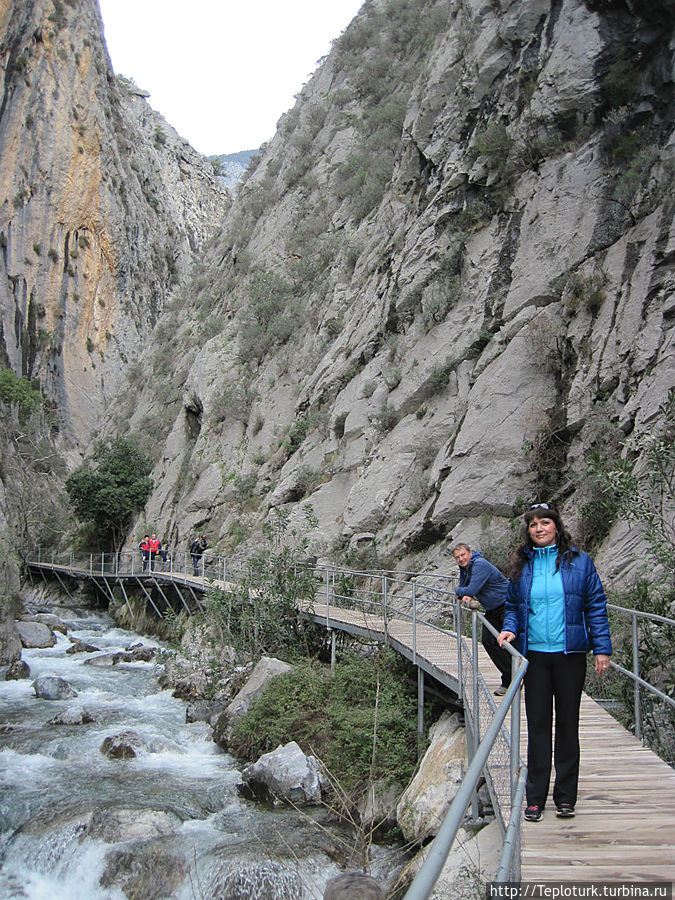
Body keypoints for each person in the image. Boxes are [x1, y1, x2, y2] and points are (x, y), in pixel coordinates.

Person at [498, 502, 612, 822]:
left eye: (545, 522)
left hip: (570, 656)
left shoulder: (580, 562)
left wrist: (602, 648)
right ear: (528, 531)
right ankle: (535, 798)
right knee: (537, 726)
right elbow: (512, 605)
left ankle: (565, 797)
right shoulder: (523, 566)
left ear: (556, 527)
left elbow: (595, 605)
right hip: (534, 657)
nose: (539, 529)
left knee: (567, 725)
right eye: (533, 525)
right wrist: (509, 628)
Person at [452, 543, 513, 696]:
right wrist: (464, 591)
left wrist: (460, 591)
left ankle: (511, 680)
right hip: (492, 608)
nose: (461, 559)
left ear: (470, 553)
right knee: (488, 641)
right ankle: (513, 676)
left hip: (507, 605)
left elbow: (468, 589)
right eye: (457, 557)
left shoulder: (480, 564)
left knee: (510, 644)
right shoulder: (465, 568)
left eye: (463, 555)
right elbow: (465, 586)